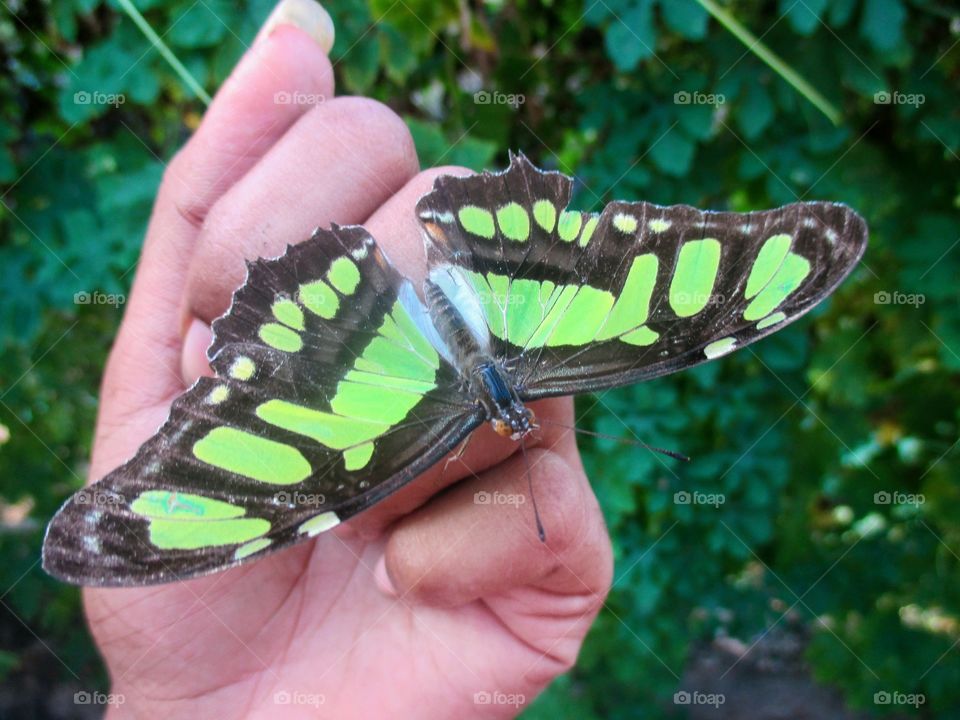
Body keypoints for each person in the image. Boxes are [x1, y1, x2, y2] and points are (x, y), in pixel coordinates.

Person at [86, 1, 612, 716]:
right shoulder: (540, 372)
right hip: (475, 296)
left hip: (388, 320)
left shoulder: (432, 426)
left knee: (339, 468)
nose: (512, 423)